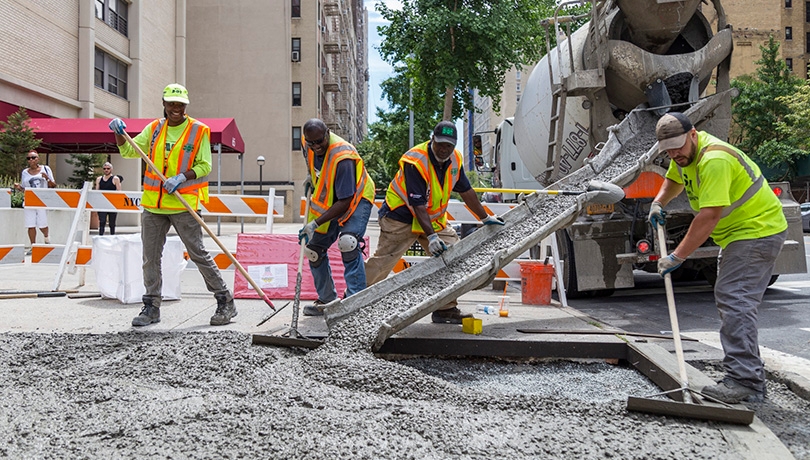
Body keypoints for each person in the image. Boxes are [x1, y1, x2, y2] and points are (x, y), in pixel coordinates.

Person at [648, 112, 787, 403]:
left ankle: (745, 382)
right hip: (740, 234)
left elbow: (708, 217)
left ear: (694, 134)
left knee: (734, 299)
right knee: (734, 300)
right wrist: (659, 201)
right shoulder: (684, 156)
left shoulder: (714, 160)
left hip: (756, 231)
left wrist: (677, 256)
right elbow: (675, 177)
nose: (675, 154)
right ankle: (747, 374)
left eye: (679, 146)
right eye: (669, 150)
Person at [108, 83, 237, 327]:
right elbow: (129, 152)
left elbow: (205, 166)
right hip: (154, 206)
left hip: (182, 204)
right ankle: (151, 306)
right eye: (171, 104)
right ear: (164, 104)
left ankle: (225, 301)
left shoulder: (199, 131)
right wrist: (119, 133)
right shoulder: (154, 129)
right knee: (150, 257)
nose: (175, 108)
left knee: (199, 253)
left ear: (185, 106)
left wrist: (182, 177)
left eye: (180, 104)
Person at [364, 121, 505, 324]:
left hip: (433, 220)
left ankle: (445, 309)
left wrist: (484, 217)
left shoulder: (455, 160)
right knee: (383, 261)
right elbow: (417, 203)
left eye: (448, 145)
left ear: (454, 145)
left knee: (454, 257)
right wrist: (431, 237)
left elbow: (466, 191)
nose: (443, 149)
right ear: (432, 140)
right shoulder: (416, 161)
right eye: (440, 144)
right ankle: (355, 303)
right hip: (401, 216)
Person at [298, 118, 375, 316]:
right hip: (332, 200)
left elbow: (345, 201)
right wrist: (310, 176)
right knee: (313, 250)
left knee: (348, 242)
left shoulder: (343, 156)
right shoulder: (308, 146)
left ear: (327, 134)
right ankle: (327, 301)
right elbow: (316, 168)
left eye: (319, 141)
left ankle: (355, 302)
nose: (316, 146)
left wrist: (315, 223)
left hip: (355, 198)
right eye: (311, 142)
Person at [14, 150, 55, 253]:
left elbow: (53, 185)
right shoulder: (25, 172)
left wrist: (47, 178)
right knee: (30, 225)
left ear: (38, 159)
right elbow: (25, 188)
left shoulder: (45, 169)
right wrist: (19, 187)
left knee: (42, 224)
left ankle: (46, 237)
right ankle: (33, 246)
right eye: (29, 158)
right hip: (29, 200)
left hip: (42, 200)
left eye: (33, 157)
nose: (31, 160)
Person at [94, 162, 122, 236]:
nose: (106, 170)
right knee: (102, 221)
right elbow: (96, 192)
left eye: (108, 168)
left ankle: (112, 237)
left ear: (111, 169)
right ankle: (100, 237)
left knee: (112, 223)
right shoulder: (99, 179)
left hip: (112, 204)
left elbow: (119, 191)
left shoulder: (115, 179)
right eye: (105, 169)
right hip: (102, 204)